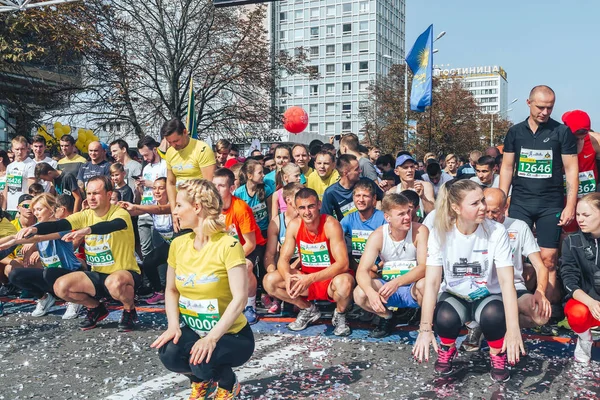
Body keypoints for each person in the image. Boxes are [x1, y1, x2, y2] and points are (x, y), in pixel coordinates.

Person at [151, 179, 254, 400]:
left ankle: (228, 385)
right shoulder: (178, 244)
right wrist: (173, 326)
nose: (175, 211)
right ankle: (201, 384)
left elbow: (240, 298)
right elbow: (171, 290)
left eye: (179, 205)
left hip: (232, 336)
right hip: (195, 329)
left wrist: (212, 338)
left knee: (201, 360)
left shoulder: (229, 245)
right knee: (169, 353)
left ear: (197, 207)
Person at [412, 179, 524, 382]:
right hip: (456, 295)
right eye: (475, 203)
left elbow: (507, 283)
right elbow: (432, 282)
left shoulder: (497, 232)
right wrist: (425, 328)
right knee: (444, 316)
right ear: (456, 207)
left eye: (482, 200)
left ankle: (497, 353)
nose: (483, 207)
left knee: (494, 315)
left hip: (487, 296)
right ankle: (448, 347)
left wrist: (514, 329)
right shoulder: (440, 232)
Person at [15, 176, 142, 332]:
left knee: (114, 283)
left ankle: (129, 310)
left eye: (96, 193)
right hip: (97, 275)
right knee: (61, 287)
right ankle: (95, 308)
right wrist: (36, 229)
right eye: (88, 193)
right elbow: (60, 224)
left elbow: (113, 225)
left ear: (109, 195)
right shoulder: (86, 215)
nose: (91, 198)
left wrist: (88, 229)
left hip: (124, 273)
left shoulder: (120, 213)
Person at [500, 85, 578, 306]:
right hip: (520, 203)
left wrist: (570, 205)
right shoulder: (515, 132)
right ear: (529, 103)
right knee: (513, 257)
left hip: (550, 204)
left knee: (549, 260)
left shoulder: (562, 132)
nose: (545, 112)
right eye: (541, 107)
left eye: (550, 108)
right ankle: (515, 303)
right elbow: (506, 167)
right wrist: (503, 199)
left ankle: (549, 308)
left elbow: (572, 170)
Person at [461, 188, 552, 352]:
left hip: (513, 287)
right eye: (485, 210)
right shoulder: (473, 225)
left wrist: (540, 292)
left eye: (494, 211)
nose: (488, 216)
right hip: (481, 288)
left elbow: (540, 266)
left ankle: (500, 325)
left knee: (541, 315)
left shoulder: (519, 227)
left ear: (505, 207)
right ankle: (479, 324)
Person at [263, 188, 355, 336]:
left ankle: (340, 314)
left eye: (311, 206)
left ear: (318, 205)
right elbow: (283, 260)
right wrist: (287, 277)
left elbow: (343, 263)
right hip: (306, 277)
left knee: (344, 283)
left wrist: (310, 278)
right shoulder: (294, 225)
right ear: (296, 208)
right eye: (302, 208)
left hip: (330, 279)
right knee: (270, 280)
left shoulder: (330, 224)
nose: (307, 212)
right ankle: (307, 309)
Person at [353, 193, 428, 338]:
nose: (407, 217)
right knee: (359, 293)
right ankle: (387, 317)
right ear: (387, 218)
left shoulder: (420, 231)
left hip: (412, 287)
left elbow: (424, 266)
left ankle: (425, 322)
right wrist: (371, 292)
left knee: (425, 285)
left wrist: (397, 282)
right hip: (388, 287)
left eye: (408, 212)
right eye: (401, 214)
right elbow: (362, 270)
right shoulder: (378, 235)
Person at [3, 193, 84, 319]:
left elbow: (42, 236)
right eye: (34, 210)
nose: (35, 213)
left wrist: (25, 242)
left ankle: (76, 299)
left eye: (39, 209)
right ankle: (45, 298)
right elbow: (15, 236)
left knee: (50, 272)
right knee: (15, 274)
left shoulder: (62, 225)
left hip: (70, 274)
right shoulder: (35, 227)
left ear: (51, 209)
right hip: (51, 275)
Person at [214, 168, 268, 325]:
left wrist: (229, 261)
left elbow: (250, 243)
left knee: (244, 267)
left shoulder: (241, 208)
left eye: (221, 186)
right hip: (226, 247)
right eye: (214, 186)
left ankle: (250, 306)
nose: (216, 190)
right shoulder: (210, 208)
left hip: (251, 247)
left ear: (231, 188)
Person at [560, 193, 600, 363]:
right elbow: (568, 280)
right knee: (577, 313)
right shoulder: (571, 241)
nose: (580, 219)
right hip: (586, 302)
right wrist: (591, 303)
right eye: (578, 215)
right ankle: (584, 339)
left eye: (586, 215)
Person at [119, 178, 173, 305]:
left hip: (182, 244)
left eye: (161, 188)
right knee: (148, 261)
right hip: (169, 244)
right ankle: (160, 293)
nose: (157, 191)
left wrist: (137, 206)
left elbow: (160, 210)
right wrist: (118, 208)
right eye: (154, 188)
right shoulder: (153, 204)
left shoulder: (173, 204)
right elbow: (134, 212)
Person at [163, 118, 216, 232]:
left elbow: (208, 184)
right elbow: (171, 183)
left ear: (185, 132)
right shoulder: (170, 152)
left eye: (176, 141)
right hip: (181, 207)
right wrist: (174, 211)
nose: (173, 145)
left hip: (199, 209)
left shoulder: (202, 149)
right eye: (170, 142)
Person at [264, 182, 303, 313]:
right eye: (299, 195)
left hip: (304, 264)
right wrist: (272, 271)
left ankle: (303, 303)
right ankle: (296, 302)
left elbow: (308, 254)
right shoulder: (276, 222)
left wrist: (288, 270)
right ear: (288, 200)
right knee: (269, 280)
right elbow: (269, 254)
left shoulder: (307, 218)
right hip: (285, 263)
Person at [340, 180, 386, 271]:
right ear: (353, 198)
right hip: (356, 266)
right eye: (358, 196)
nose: (361, 200)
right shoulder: (348, 219)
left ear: (374, 199)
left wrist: (377, 267)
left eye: (365, 196)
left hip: (378, 269)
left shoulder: (383, 219)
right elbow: (334, 240)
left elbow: (395, 249)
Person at [136, 136, 168, 260]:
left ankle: (162, 279)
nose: (145, 158)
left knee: (159, 250)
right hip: (144, 211)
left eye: (146, 155)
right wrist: (139, 187)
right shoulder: (146, 168)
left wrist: (151, 184)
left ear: (155, 149)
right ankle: (148, 279)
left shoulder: (165, 165)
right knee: (145, 250)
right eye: (142, 156)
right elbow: (144, 192)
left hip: (159, 212)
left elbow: (167, 186)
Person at [234, 159, 274, 238]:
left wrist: (271, 230)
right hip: (248, 232)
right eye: (260, 173)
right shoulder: (239, 193)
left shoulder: (267, 189)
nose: (263, 175)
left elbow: (270, 212)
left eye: (263, 172)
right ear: (249, 176)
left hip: (264, 231)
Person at [3, 136, 36, 219]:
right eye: (17, 149)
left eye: (22, 149)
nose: (20, 152)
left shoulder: (31, 164)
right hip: (9, 208)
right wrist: (4, 207)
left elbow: (30, 189)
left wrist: (23, 208)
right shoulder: (10, 166)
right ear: (12, 149)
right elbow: (6, 187)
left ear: (27, 149)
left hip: (22, 208)